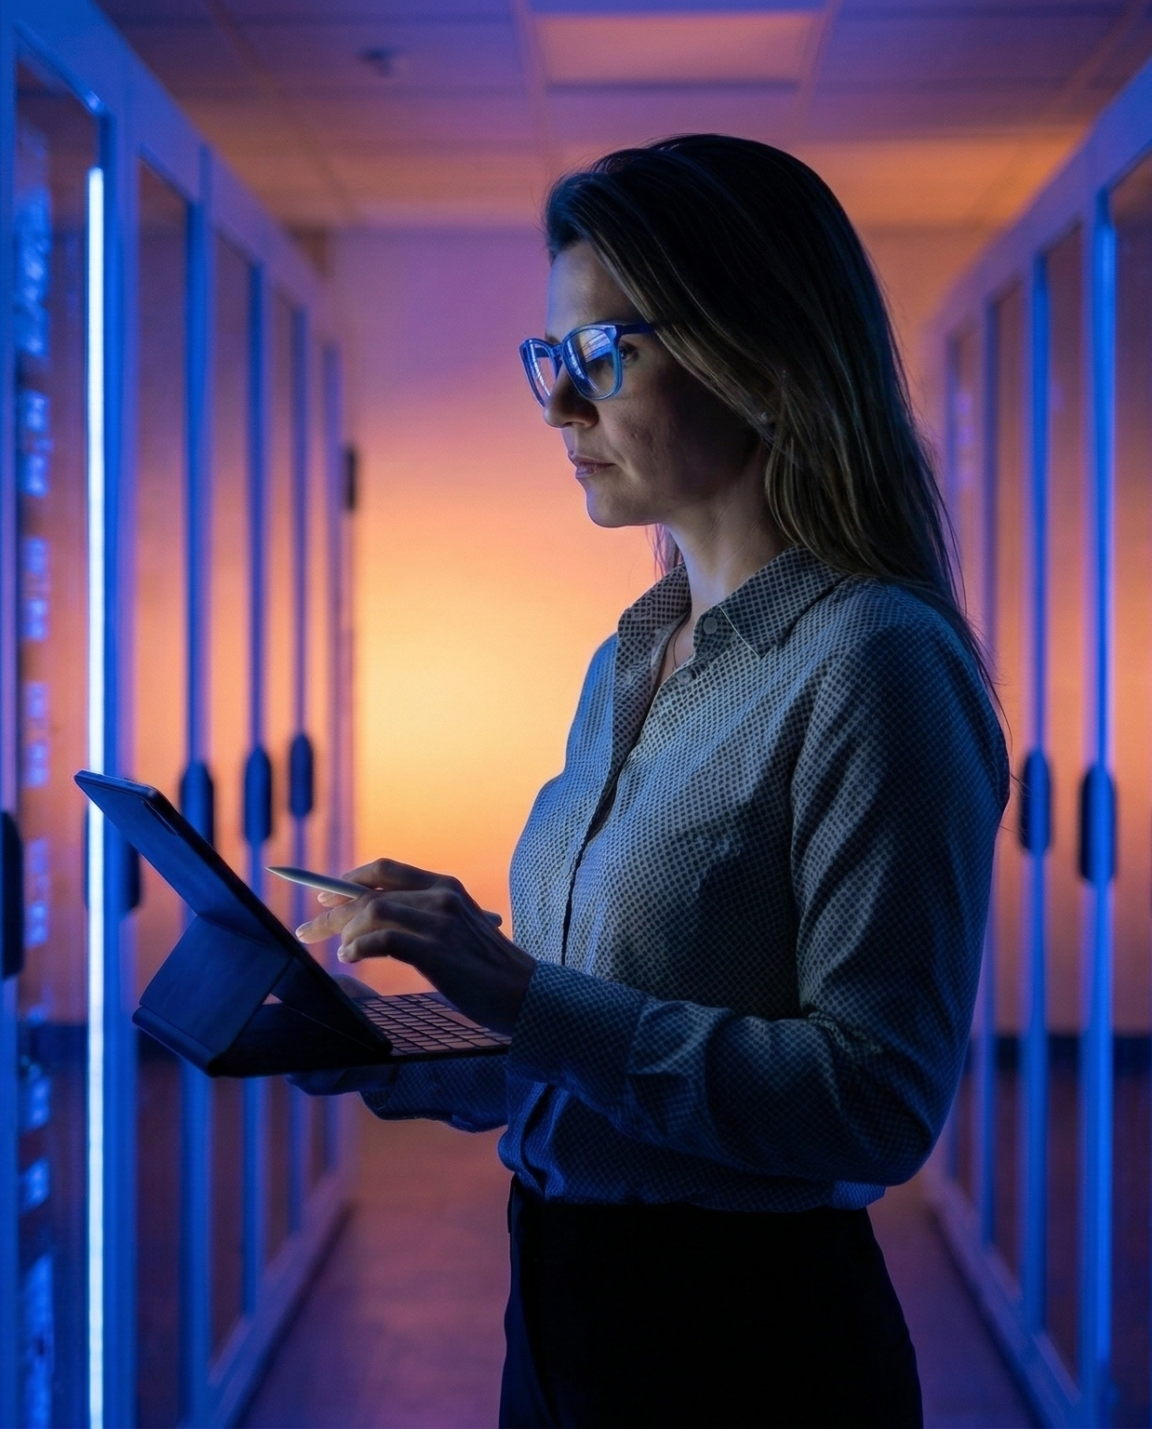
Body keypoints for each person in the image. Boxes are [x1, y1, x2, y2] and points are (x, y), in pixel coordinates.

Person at [293, 134, 1008, 1429]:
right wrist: (398, 1049)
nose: (562, 408)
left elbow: (876, 1104)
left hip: (744, 1349)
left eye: (607, 357)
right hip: (568, 1310)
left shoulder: (876, 662)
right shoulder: (636, 651)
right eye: (552, 362)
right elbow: (608, 1031)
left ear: (766, 362)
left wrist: (515, 984)